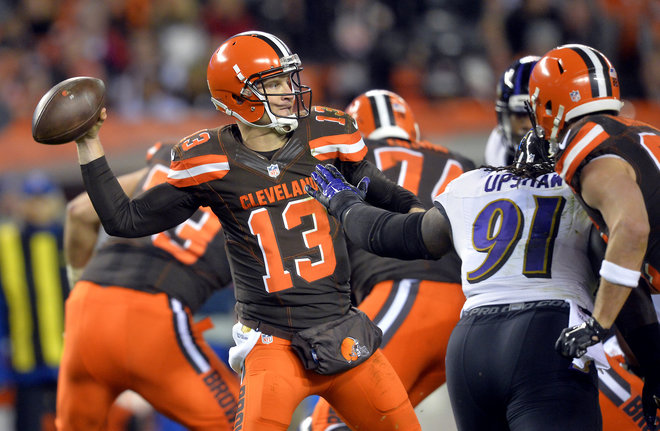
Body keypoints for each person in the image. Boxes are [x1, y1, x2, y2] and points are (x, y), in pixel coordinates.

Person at [64, 31, 423, 430]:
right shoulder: (209, 161)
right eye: (274, 83)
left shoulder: (326, 134)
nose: (290, 91)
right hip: (272, 342)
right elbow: (124, 220)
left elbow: (374, 185)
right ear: (238, 96)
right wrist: (88, 142)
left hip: (341, 326)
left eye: (289, 79)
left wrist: (417, 212)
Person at [308, 129, 606, 430]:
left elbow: (399, 235)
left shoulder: (473, 184)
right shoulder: (586, 189)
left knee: (340, 417)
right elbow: (624, 266)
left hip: (472, 340)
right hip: (546, 333)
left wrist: (344, 204)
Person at [303, 89, 474, 431]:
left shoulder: (345, 163)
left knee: (329, 422)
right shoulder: (462, 163)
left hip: (406, 294)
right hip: (470, 313)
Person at [56, 142, 240, 431]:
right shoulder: (258, 184)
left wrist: (78, 296)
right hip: (152, 315)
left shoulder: (170, 164)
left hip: (86, 307)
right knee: (249, 421)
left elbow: (78, 212)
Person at [528, 43, 660, 429]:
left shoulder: (587, 146)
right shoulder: (642, 131)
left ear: (548, 105)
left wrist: (598, 323)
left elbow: (632, 230)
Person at [0, 171, 69, 431]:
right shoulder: (7, 242)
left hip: (69, 356)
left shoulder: (71, 236)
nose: (38, 206)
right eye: (32, 199)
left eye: (44, 198)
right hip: (25, 356)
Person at [484, 55, 540, 166]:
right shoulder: (497, 152)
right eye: (520, 115)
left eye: (537, 115)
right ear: (505, 117)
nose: (529, 125)